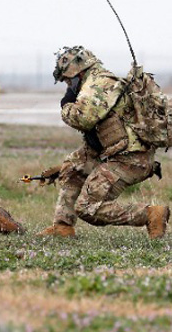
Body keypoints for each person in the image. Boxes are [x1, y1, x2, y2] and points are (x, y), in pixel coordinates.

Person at [38, 46, 169, 238]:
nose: (67, 85)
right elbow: (99, 134)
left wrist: (66, 104)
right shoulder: (94, 82)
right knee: (72, 168)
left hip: (130, 158)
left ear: (77, 73)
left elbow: (82, 119)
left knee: (87, 207)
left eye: (67, 80)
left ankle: (150, 214)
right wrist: (72, 165)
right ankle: (62, 227)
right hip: (115, 152)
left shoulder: (98, 85)